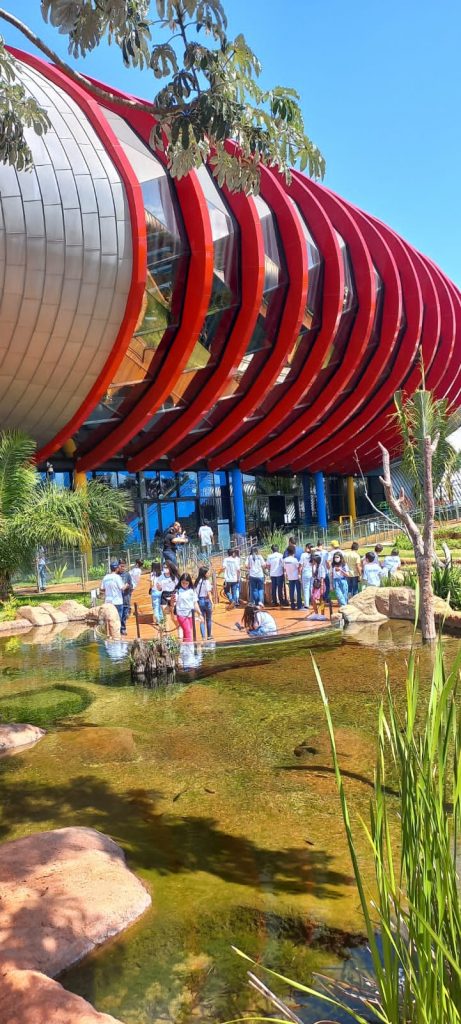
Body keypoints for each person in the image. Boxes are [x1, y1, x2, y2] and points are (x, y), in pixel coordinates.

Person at [172, 572, 203, 642]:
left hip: (190, 615)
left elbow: (195, 603)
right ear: (180, 582)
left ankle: (185, 650)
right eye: (183, 583)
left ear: (189, 582)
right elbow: (173, 602)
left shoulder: (192, 590)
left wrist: (200, 614)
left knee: (187, 633)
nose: (184, 585)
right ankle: (190, 649)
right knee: (188, 632)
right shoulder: (178, 591)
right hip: (181, 614)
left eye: (186, 583)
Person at [195, 566, 214, 639]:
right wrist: (212, 602)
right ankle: (209, 636)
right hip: (206, 600)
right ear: (204, 573)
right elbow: (209, 593)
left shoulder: (197, 581)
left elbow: (195, 592)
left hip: (199, 601)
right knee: (208, 619)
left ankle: (203, 636)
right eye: (207, 572)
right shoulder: (206, 581)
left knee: (201, 618)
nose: (209, 573)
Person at [283, 543, 302, 610]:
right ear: (294, 551)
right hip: (296, 577)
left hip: (290, 577)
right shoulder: (295, 560)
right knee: (298, 591)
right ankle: (299, 605)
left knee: (291, 591)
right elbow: (298, 568)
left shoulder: (285, 560)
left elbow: (284, 568)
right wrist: (299, 575)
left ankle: (292, 605)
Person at [118, 559, 133, 636]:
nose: (122, 568)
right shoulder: (116, 575)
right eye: (121, 566)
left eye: (124, 566)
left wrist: (128, 587)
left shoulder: (127, 575)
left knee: (124, 615)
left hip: (126, 598)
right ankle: (118, 629)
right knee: (118, 615)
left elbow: (131, 586)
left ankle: (123, 628)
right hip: (118, 599)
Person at [300, 543, 314, 607]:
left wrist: (299, 573)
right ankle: (313, 602)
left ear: (307, 548)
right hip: (313, 573)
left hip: (305, 573)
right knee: (312, 588)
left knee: (306, 588)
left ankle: (307, 604)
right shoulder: (314, 554)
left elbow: (301, 565)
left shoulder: (303, 555)